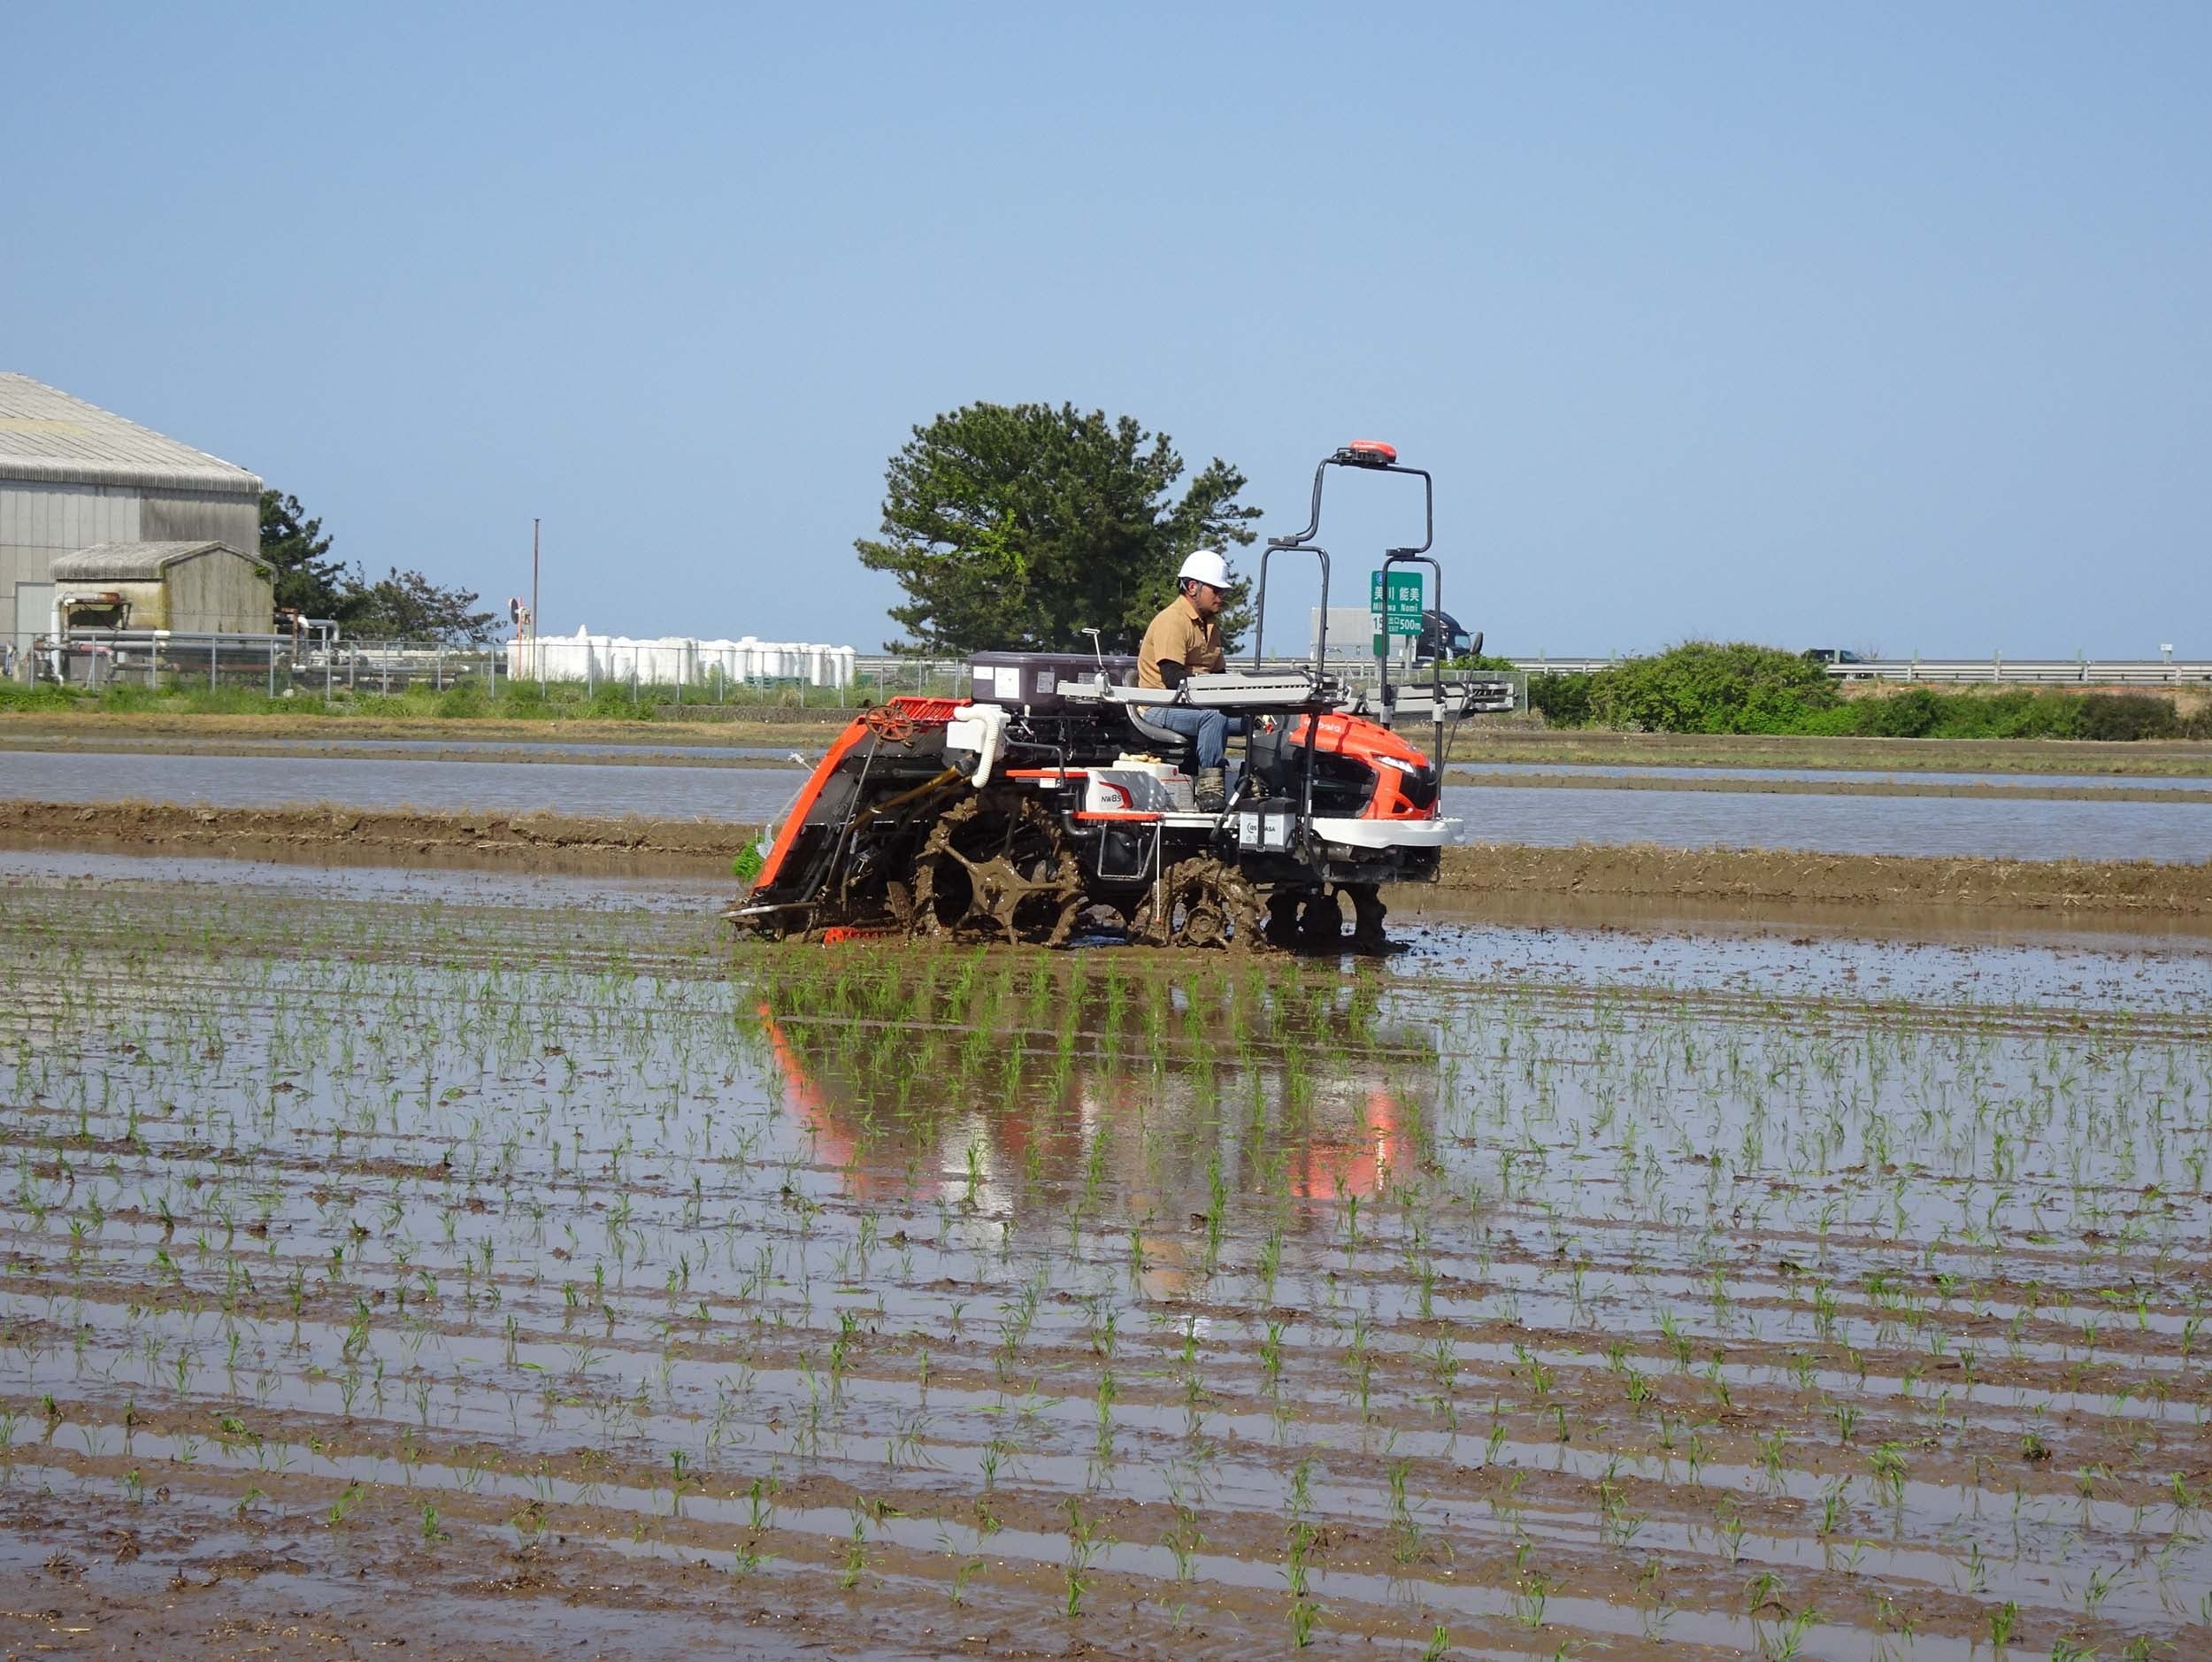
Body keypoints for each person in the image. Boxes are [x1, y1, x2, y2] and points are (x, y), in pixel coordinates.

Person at [1138, 548, 1245, 812]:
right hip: (1161, 706)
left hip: (1192, 705)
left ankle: (1250, 781)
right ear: (1193, 587)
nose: (1221, 597)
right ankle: (1209, 789)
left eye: (1223, 592)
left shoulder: (1210, 625)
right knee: (1214, 717)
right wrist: (1212, 689)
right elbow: (1173, 678)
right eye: (1216, 590)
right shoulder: (1172, 621)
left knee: (1252, 719)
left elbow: (1218, 676)